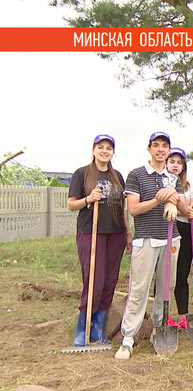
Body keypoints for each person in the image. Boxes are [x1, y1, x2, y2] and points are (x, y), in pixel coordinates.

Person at [115, 132, 189, 360]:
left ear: (168, 150)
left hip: (171, 239)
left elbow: (184, 209)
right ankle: (128, 338)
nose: (160, 150)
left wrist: (175, 197)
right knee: (139, 289)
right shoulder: (137, 175)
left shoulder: (173, 178)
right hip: (146, 239)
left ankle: (160, 327)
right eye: (156, 146)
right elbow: (134, 209)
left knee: (166, 288)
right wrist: (159, 198)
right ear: (149, 149)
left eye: (164, 146)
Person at [67, 134, 130, 346]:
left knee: (110, 280)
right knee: (94, 279)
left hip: (116, 233)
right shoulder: (82, 174)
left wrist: (127, 233)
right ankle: (82, 326)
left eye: (108, 148)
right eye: (100, 147)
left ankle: (98, 328)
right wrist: (88, 199)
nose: (104, 151)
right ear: (93, 150)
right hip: (90, 232)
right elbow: (71, 204)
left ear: (113, 152)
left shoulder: (117, 176)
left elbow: (123, 207)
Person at [165, 147, 193, 330]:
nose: (175, 166)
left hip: (184, 229)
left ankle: (183, 316)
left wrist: (184, 207)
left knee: (182, 274)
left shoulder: (190, 184)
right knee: (165, 274)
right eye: (172, 162)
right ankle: (164, 314)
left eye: (179, 162)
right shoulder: (159, 180)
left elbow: (190, 209)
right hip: (165, 227)